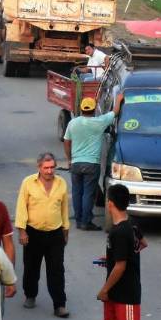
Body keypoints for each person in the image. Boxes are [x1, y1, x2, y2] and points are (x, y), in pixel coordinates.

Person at [89, 184, 144, 320]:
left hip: (125, 292)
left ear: (110, 203)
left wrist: (104, 289)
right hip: (118, 290)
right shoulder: (132, 225)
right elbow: (142, 244)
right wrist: (113, 258)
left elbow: (121, 266)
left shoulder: (119, 231)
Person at [15, 152, 71, 317]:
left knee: (57, 270)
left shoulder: (61, 183)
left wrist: (65, 231)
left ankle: (59, 305)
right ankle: (30, 295)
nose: (49, 171)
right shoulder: (28, 183)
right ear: (39, 167)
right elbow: (21, 207)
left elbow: (64, 209)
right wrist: (22, 231)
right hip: (33, 232)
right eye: (46, 168)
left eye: (52, 167)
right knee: (31, 267)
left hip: (55, 233)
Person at [62, 97, 114, 230]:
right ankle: (86, 222)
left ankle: (78, 220)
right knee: (88, 194)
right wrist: (119, 99)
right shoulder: (100, 122)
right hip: (92, 164)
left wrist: (69, 159)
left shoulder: (73, 123)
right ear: (94, 109)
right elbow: (115, 112)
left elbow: (66, 142)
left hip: (76, 163)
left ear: (81, 109)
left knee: (77, 192)